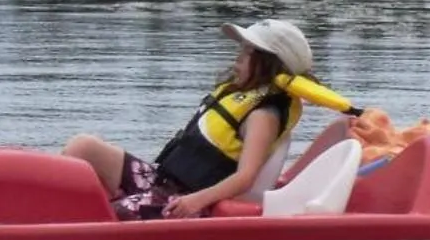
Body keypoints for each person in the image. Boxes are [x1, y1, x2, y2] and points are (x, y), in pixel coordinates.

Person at [62, 19, 316, 221]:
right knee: (83, 146)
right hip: (163, 181)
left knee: (104, 213)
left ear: (269, 64)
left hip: (187, 200)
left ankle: (60, 234)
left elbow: (245, 177)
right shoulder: (241, 96)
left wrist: (196, 201)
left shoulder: (263, 115)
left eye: (248, 52)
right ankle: (50, 207)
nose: (237, 58)